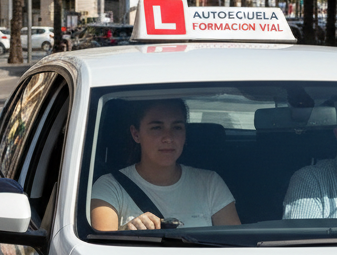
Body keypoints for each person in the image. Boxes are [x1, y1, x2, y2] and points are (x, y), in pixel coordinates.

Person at [91, 98, 240, 230]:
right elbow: (98, 250)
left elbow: (234, 246)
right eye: (157, 127)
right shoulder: (109, 187)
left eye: (177, 127)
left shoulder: (210, 183)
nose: (168, 138)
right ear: (136, 134)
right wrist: (126, 232)